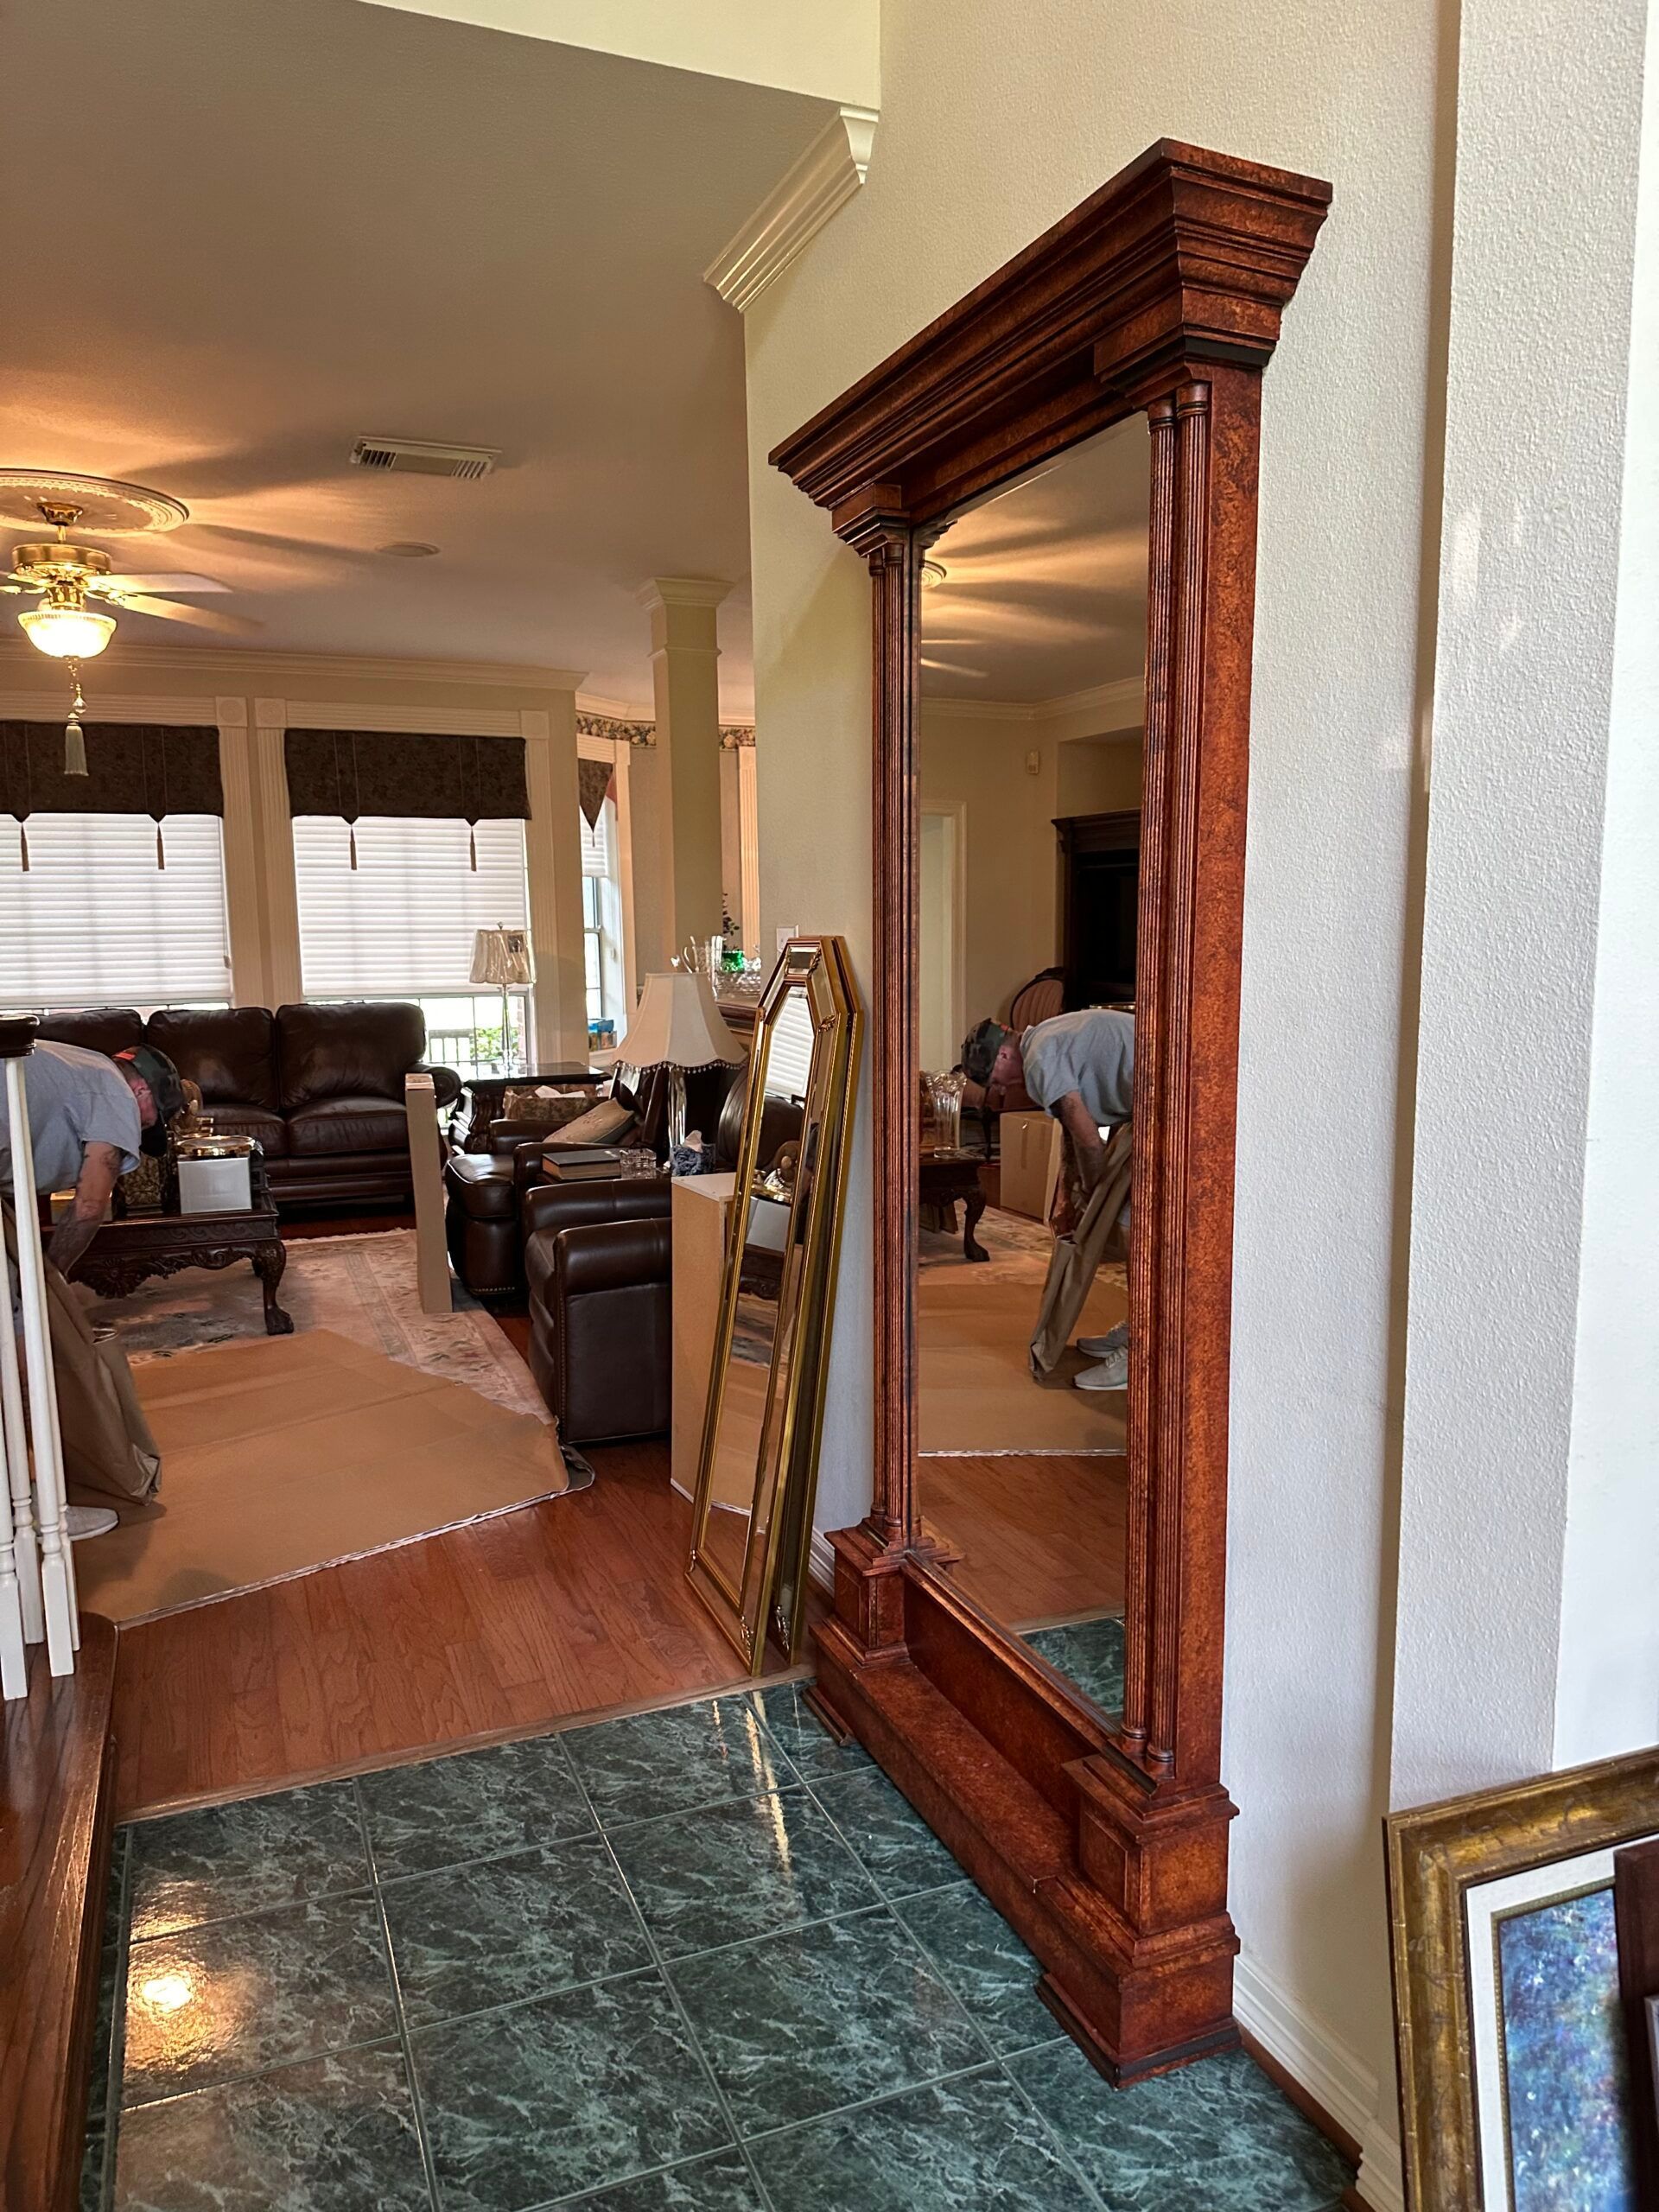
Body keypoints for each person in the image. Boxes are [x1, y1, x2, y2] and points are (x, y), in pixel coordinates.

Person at [0, 1039, 185, 1537]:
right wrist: (48, 1281)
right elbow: (88, 1206)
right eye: (154, 1117)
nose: (145, 1129)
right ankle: (24, 1510)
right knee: (20, 1342)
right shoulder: (115, 1093)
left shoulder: (75, 1063)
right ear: (141, 1089)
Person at [963, 1007, 1135, 1391]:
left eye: (996, 1082)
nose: (1003, 1091)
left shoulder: (1040, 1057)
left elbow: (1088, 1137)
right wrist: (1074, 1195)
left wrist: (1093, 1193)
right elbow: (1074, 1132)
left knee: (1130, 1232)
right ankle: (1139, 1325)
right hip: (1147, 1109)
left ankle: (1142, 1352)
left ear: (1004, 1057)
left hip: (1171, 1106)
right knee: (1122, 1226)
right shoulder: (1045, 1036)